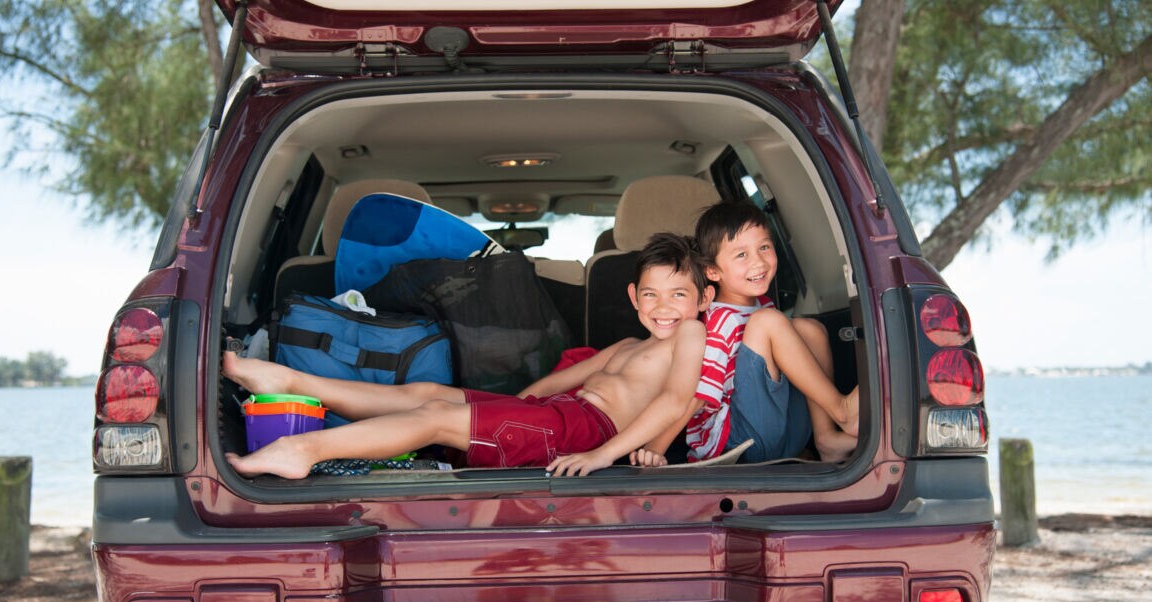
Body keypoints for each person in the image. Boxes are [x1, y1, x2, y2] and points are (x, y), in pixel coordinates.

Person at [222, 233, 711, 479]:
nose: (663, 308)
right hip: (554, 416)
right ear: (632, 296)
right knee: (432, 393)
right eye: (651, 295)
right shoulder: (629, 346)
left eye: (678, 295)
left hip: (586, 433)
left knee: (435, 416)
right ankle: (293, 382)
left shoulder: (691, 335)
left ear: (704, 300)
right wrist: (509, 406)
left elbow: (677, 401)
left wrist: (606, 456)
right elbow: (553, 385)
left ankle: (302, 451)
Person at [638, 201, 859, 466]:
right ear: (712, 271)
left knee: (808, 329)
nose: (758, 261)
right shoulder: (719, 321)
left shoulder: (762, 304)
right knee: (768, 322)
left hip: (777, 433)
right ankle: (842, 411)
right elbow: (696, 397)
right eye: (741, 255)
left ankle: (826, 439)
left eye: (764, 247)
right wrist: (655, 448)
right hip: (736, 445)